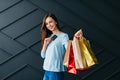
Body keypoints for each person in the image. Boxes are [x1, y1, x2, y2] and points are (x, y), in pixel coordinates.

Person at [40, 13, 83, 80]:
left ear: (56, 22)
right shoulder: (50, 37)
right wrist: (45, 44)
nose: (49, 25)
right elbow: (43, 56)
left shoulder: (63, 36)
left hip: (56, 71)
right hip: (47, 70)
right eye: (47, 23)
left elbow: (70, 50)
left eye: (50, 22)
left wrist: (75, 38)